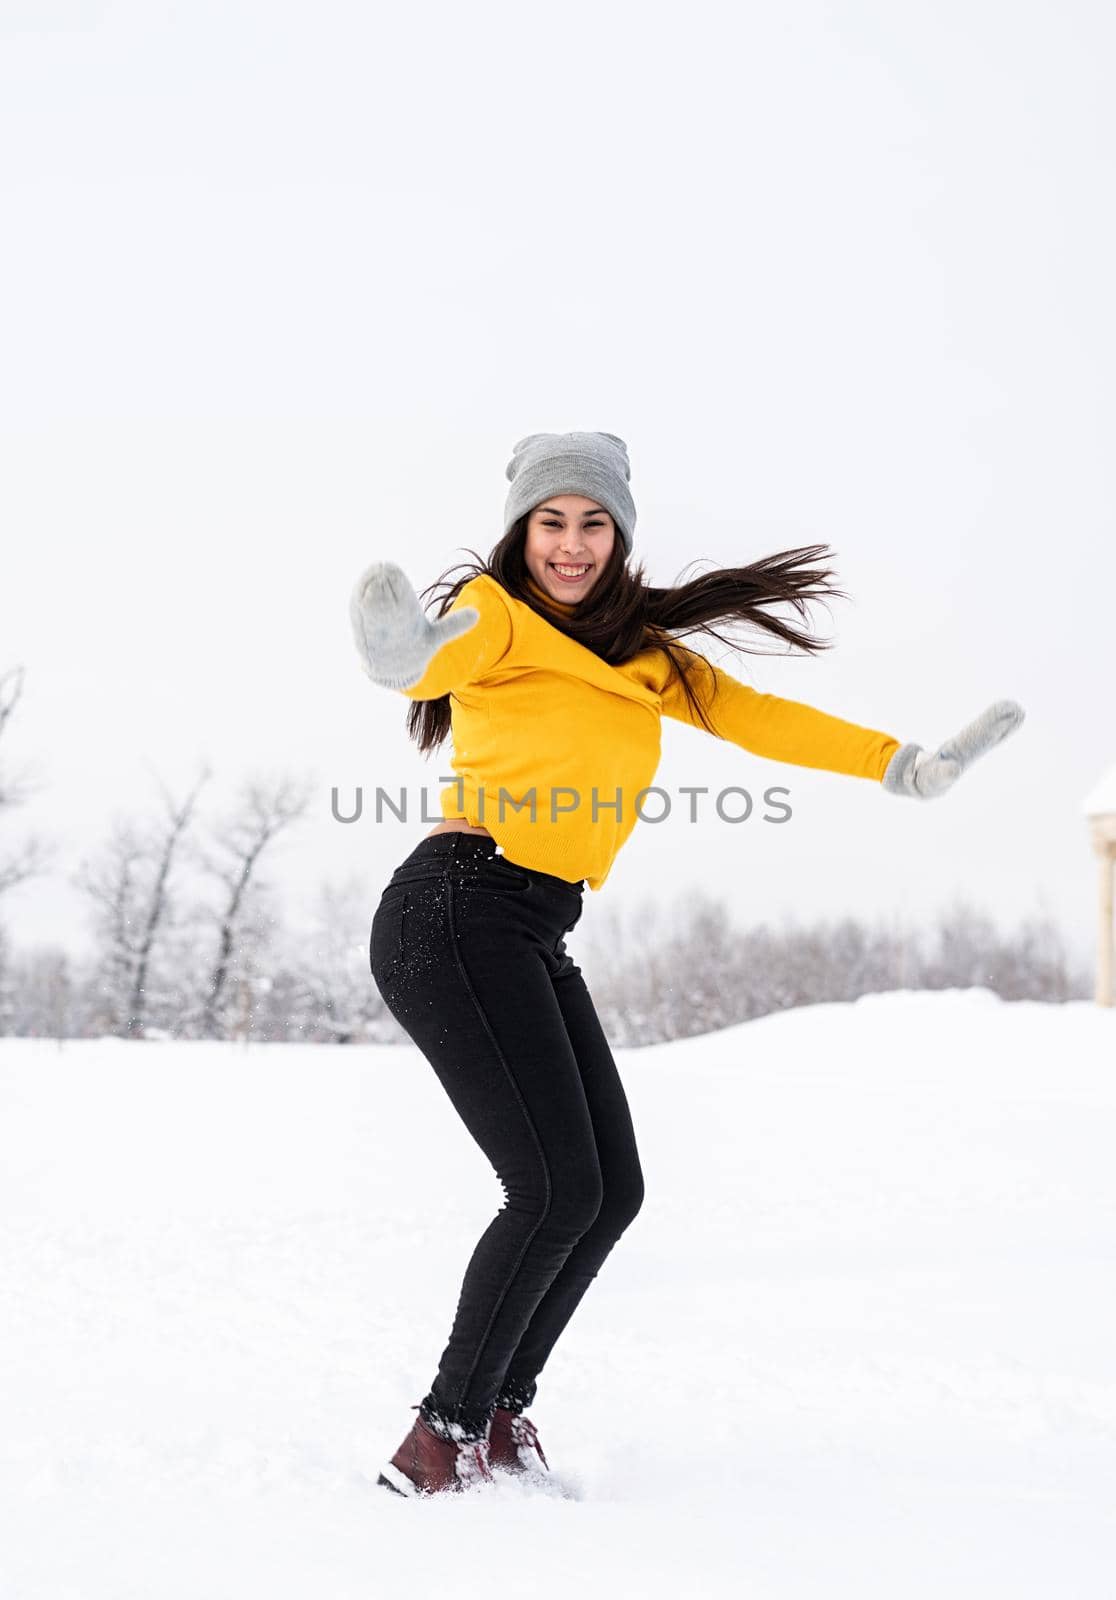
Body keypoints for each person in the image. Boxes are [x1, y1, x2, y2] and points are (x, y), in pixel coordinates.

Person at [349, 430, 1024, 1498]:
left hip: (527, 921)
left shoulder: (647, 654)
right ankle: (442, 1433)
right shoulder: (495, 614)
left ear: (619, 536)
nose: (569, 544)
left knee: (609, 1190)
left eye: (592, 522)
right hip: (455, 907)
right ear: (521, 529)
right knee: (549, 1185)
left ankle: (500, 1410)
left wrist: (900, 763)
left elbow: (767, 720)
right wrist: (401, 654)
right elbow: (437, 656)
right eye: (550, 521)